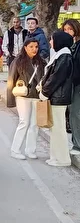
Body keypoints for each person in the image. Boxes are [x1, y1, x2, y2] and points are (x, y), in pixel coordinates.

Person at [39, 31, 74, 167]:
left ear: (59, 41)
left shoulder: (64, 57)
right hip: (55, 96)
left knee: (58, 129)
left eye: (52, 39)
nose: (50, 42)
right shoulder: (60, 55)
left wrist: (44, 92)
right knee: (54, 129)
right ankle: (55, 157)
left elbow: (56, 78)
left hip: (58, 97)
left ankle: (62, 159)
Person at [8, 37, 46, 160]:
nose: (34, 49)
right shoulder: (18, 61)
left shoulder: (41, 62)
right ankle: (15, 150)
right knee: (24, 122)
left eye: (36, 47)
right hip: (23, 95)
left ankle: (31, 150)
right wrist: (10, 100)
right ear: (25, 47)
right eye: (31, 47)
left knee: (35, 124)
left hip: (37, 95)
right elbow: (11, 79)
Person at [62, 19, 80, 153]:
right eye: (65, 29)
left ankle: (77, 145)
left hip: (78, 84)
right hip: (73, 84)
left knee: (75, 113)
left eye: (70, 29)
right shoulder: (72, 45)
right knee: (73, 113)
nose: (67, 32)